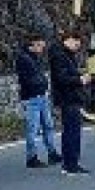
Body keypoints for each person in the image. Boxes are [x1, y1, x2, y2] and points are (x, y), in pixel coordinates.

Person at [14, 33, 61, 168]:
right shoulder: (24, 59)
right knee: (32, 129)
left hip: (41, 96)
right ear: (32, 45)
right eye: (40, 45)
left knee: (48, 125)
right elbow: (28, 79)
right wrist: (41, 84)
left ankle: (52, 153)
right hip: (31, 98)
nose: (42, 48)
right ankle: (31, 157)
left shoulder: (34, 58)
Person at [50, 30, 92, 175]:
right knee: (72, 132)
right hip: (68, 98)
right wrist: (80, 80)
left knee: (70, 132)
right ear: (68, 40)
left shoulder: (65, 55)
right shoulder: (60, 56)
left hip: (70, 97)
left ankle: (69, 163)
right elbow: (61, 78)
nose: (77, 47)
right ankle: (71, 165)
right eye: (76, 43)